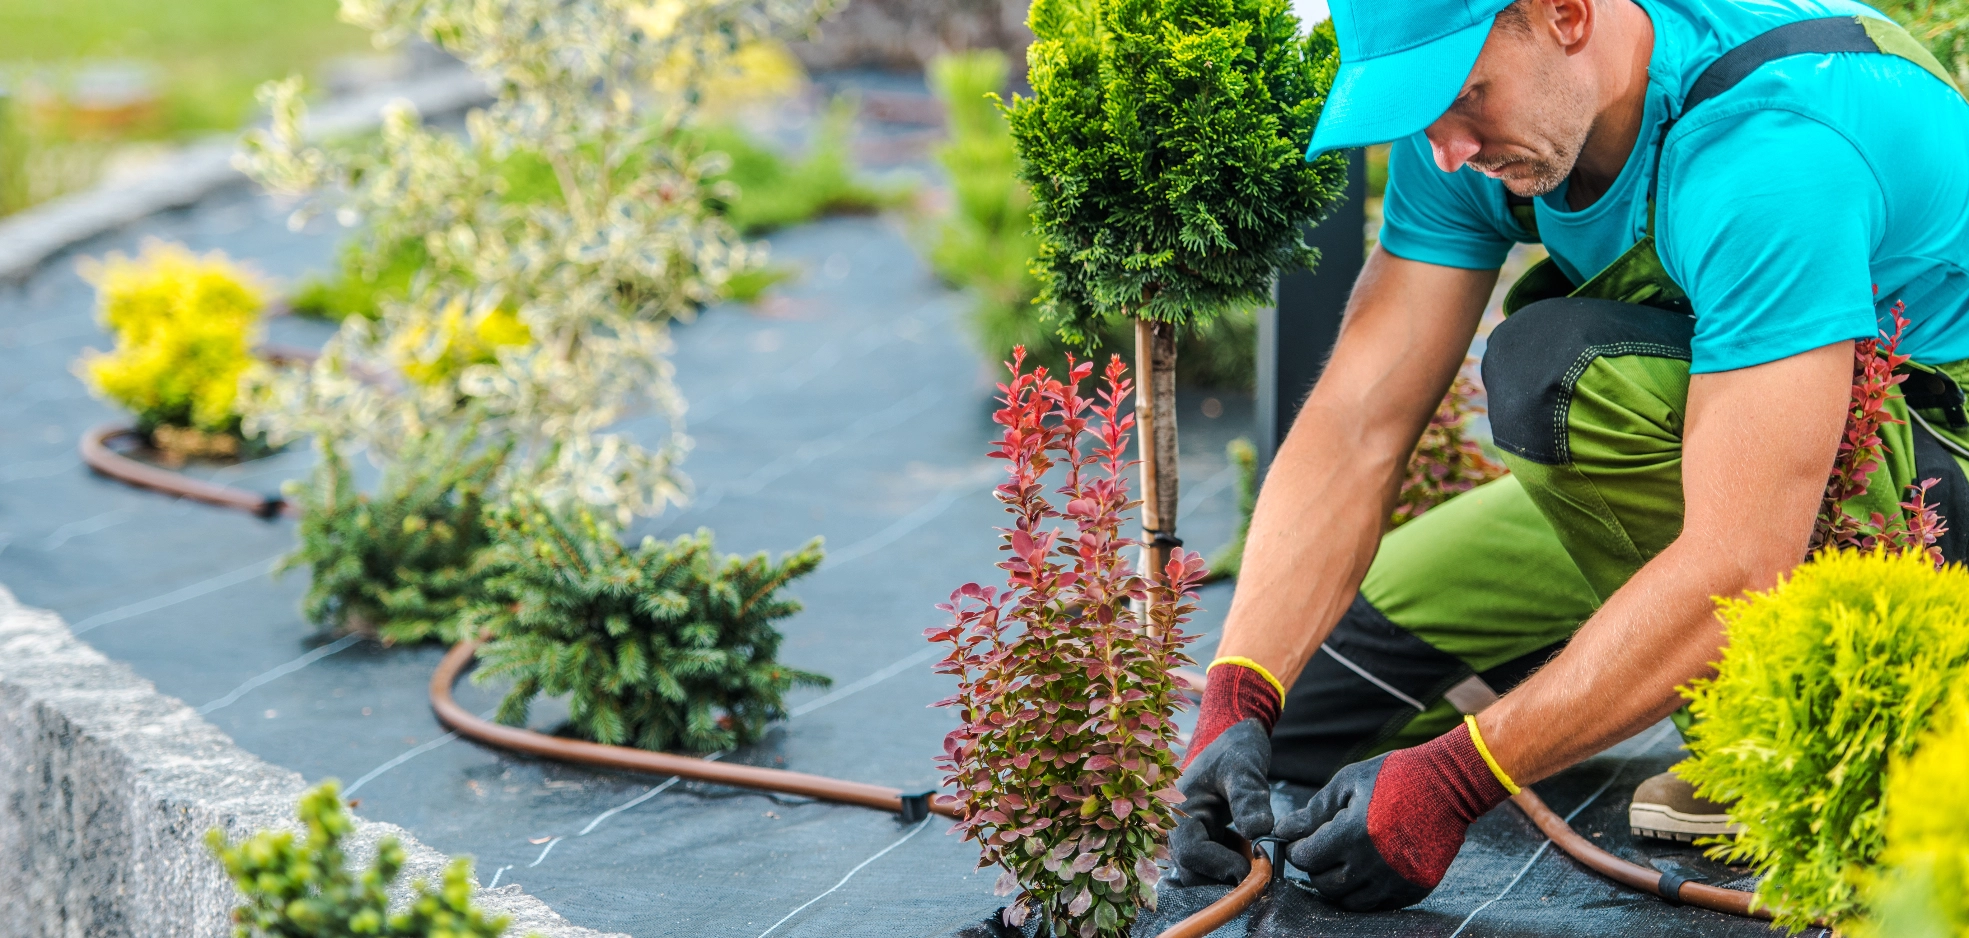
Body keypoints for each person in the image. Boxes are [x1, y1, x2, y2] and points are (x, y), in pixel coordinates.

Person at [1170, 0, 1969, 912]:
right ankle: (1608, 662)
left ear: (1565, 14)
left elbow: (1745, 559)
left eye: (1464, 95)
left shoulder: (1769, 148)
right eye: (1418, 110)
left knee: (1561, 374)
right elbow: (1358, 422)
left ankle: (1783, 750)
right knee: (1306, 710)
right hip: (1724, 445)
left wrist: (1461, 774)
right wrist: (1237, 693)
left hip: (1918, 486)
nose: (1446, 147)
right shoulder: (1478, 133)